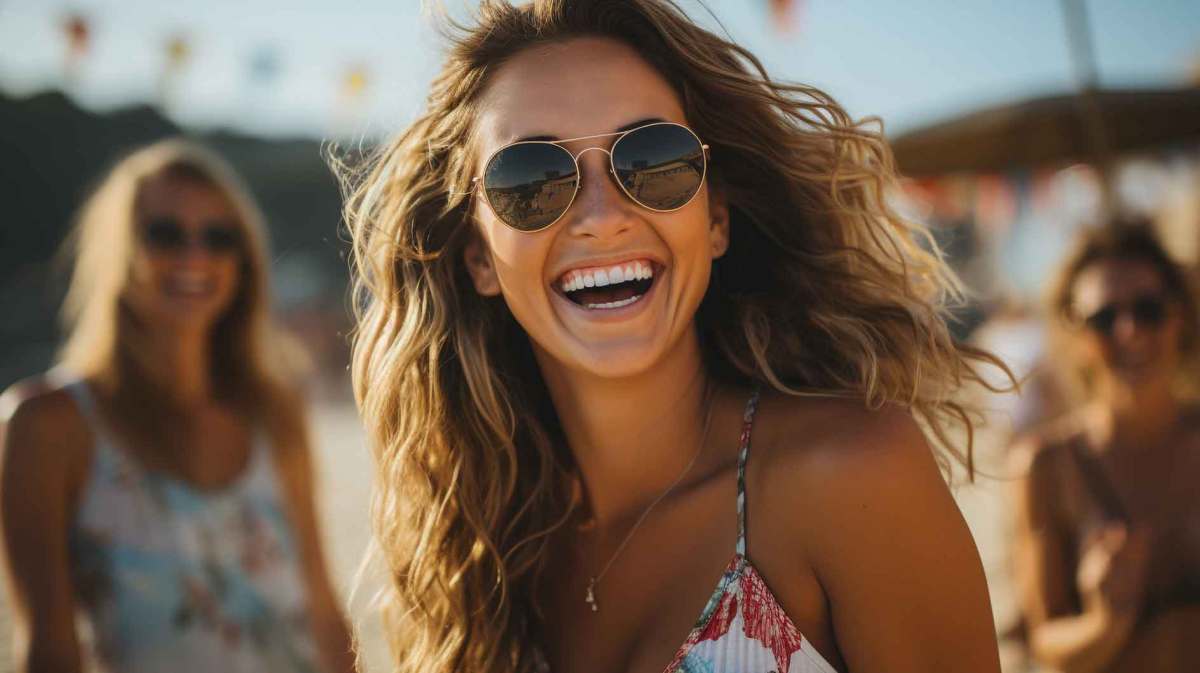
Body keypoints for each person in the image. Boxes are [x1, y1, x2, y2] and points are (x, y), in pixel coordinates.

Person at [339, 1, 1012, 672]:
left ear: (715, 217)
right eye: (532, 180)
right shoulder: (487, 554)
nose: (601, 218)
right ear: (479, 255)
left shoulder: (848, 473)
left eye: (654, 158)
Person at [0, 140, 354, 673]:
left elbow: (323, 610)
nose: (195, 256)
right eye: (164, 233)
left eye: (218, 237)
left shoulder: (274, 411)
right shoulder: (47, 425)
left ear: (243, 261)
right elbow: (48, 647)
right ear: (117, 248)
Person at [1012, 223, 1200, 672]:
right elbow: (1045, 642)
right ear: (1074, 333)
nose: (1130, 331)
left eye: (1149, 310)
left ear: (1179, 317)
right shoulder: (1046, 466)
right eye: (1103, 319)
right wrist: (1105, 621)